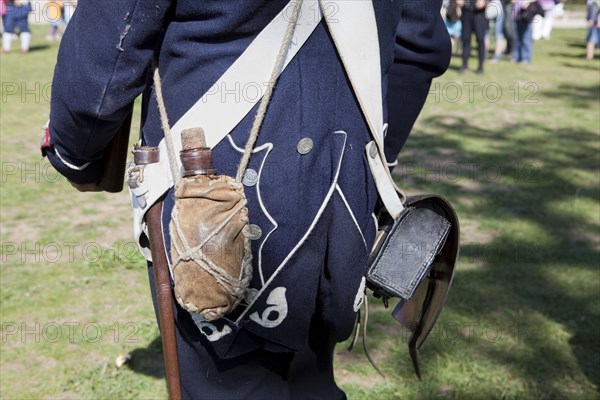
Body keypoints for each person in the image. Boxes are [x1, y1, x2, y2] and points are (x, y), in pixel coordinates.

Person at [42, 1, 450, 398]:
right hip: (344, 194)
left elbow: (113, 39)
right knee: (310, 378)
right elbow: (418, 43)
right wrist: (374, 161)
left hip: (211, 198)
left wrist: (77, 156)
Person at [458, 0, 489, 74]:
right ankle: (464, 65)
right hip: (466, 11)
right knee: (465, 39)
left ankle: (480, 67)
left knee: (481, 40)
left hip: (479, 14)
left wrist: (485, 2)